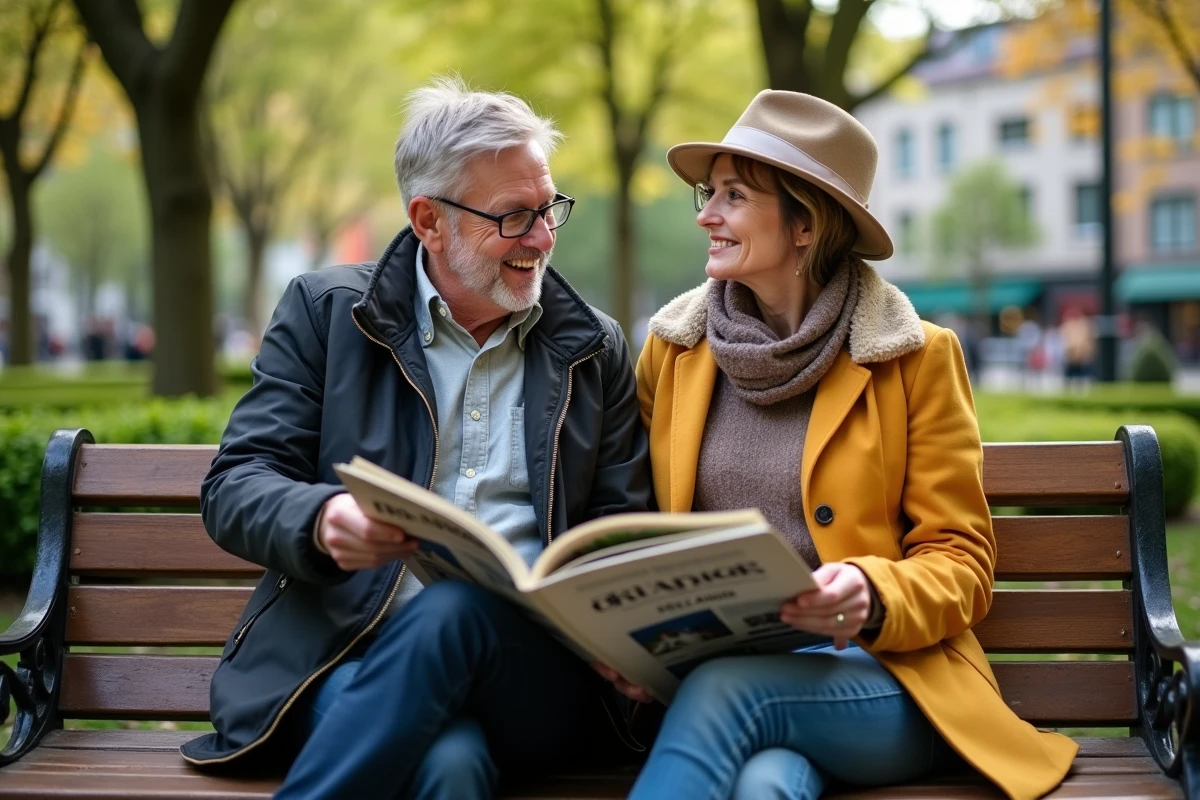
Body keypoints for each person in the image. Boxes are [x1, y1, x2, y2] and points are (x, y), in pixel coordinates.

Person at [180, 78, 653, 798]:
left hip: (533, 672)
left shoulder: (592, 347)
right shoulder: (327, 313)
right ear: (429, 220)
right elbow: (236, 484)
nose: (543, 237)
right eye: (514, 216)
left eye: (549, 207)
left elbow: (620, 526)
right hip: (346, 657)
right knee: (448, 765)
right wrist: (320, 520)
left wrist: (625, 626)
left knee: (455, 610)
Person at [600, 90, 1077, 800]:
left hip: (887, 680)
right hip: (731, 678)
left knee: (727, 691)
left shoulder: (916, 357)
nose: (705, 215)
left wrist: (871, 593)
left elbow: (963, 561)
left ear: (804, 223)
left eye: (733, 196)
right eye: (709, 193)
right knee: (766, 785)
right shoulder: (675, 354)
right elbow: (640, 532)